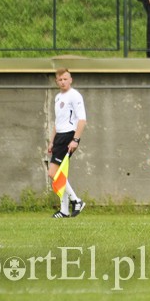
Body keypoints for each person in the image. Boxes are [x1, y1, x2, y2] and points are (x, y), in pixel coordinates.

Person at [47, 69, 86, 218]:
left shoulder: (75, 96)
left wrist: (75, 139)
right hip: (59, 137)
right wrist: (52, 141)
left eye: (65, 79)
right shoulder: (57, 97)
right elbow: (58, 122)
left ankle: (76, 200)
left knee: (53, 173)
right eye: (60, 80)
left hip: (69, 135)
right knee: (60, 173)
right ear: (57, 82)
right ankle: (64, 210)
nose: (63, 82)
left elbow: (82, 120)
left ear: (71, 80)